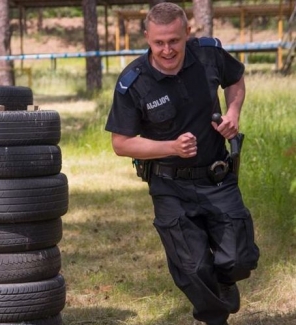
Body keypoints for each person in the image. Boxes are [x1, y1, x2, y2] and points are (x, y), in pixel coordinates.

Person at [104, 2, 260, 325]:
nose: (167, 49)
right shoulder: (133, 82)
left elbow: (236, 79)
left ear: (188, 33)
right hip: (169, 184)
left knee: (240, 258)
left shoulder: (208, 54)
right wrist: (169, 147)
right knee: (192, 267)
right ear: (146, 37)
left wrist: (233, 114)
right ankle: (214, 317)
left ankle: (225, 281)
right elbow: (121, 143)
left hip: (217, 175)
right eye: (158, 42)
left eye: (174, 40)